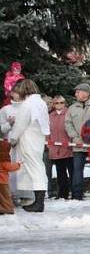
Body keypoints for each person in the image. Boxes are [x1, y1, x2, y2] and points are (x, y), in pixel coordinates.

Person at [8, 80, 50, 212]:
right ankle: (38, 201)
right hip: (37, 138)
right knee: (37, 166)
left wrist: (12, 139)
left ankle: (38, 203)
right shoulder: (40, 102)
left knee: (35, 168)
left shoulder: (28, 104)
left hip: (28, 139)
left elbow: (20, 124)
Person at [65, 83, 90, 200]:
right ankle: (77, 194)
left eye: (78, 92)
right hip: (77, 143)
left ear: (86, 93)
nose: (76, 94)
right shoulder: (72, 108)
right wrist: (74, 136)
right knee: (77, 169)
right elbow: (68, 123)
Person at [47, 95, 73, 199]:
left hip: (69, 148)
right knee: (60, 173)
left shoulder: (69, 113)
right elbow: (47, 131)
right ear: (53, 104)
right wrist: (49, 145)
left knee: (72, 172)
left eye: (62, 102)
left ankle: (75, 193)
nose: (59, 105)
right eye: (57, 103)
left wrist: (71, 142)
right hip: (56, 149)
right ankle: (62, 194)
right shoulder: (50, 116)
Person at [0, 143, 21, 213]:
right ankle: (9, 208)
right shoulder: (4, 161)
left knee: (1, 197)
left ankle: (2, 208)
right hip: (3, 182)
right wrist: (18, 165)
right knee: (6, 196)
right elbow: (11, 167)